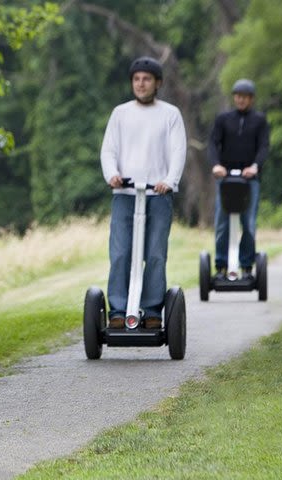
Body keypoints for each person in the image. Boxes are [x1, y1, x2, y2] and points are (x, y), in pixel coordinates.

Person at [100, 56, 187, 329]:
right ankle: (117, 311)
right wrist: (112, 175)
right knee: (121, 253)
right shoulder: (120, 113)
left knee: (156, 253)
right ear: (131, 83)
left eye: (147, 79)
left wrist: (169, 180)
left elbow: (177, 151)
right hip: (125, 194)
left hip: (158, 195)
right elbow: (109, 150)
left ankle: (150, 311)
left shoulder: (170, 114)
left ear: (157, 83)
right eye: (136, 79)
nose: (141, 84)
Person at [208, 79, 270, 280]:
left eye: (244, 97)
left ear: (251, 99)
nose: (240, 100)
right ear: (234, 97)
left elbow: (263, 147)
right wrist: (216, 165)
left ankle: (246, 266)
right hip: (226, 178)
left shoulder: (259, 120)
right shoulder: (224, 119)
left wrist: (255, 167)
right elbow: (213, 143)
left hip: (249, 179)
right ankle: (221, 265)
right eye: (237, 96)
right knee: (222, 222)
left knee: (248, 222)